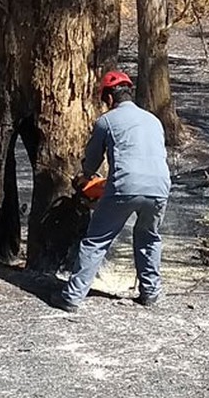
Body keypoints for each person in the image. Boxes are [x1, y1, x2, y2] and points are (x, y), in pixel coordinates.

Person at [51, 70, 171, 313]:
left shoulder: (106, 121)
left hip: (126, 186)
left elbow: (92, 161)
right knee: (149, 238)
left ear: (108, 98)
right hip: (160, 186)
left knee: (96, 241)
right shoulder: (153, 120)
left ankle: (72, 297)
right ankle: (150, 292)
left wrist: (84, 178)